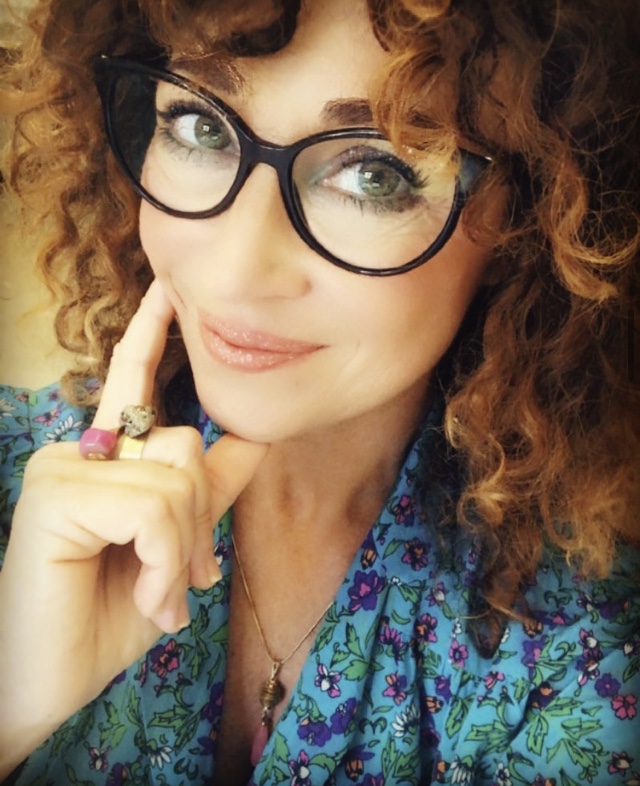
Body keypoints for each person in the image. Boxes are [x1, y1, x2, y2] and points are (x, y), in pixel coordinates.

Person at [0, 0, 638, 783]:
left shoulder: (581, 655)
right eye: (201, 127)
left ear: (533, 225)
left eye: (376, 174)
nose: (236, 272)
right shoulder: (14, 487)